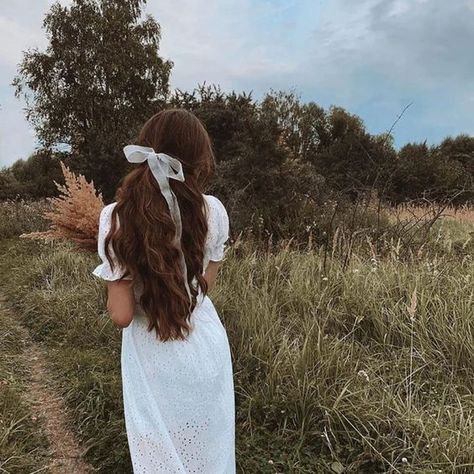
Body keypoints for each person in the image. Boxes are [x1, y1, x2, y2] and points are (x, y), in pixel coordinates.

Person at [92, 109, 235, 473]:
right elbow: (203, 287)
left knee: (159, 452)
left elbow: (122, 315)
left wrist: (113, 277)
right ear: (199, 159)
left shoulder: (117, 217)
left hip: (152, 354)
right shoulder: (214, 212)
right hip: (205, 345)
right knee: (209, 450)